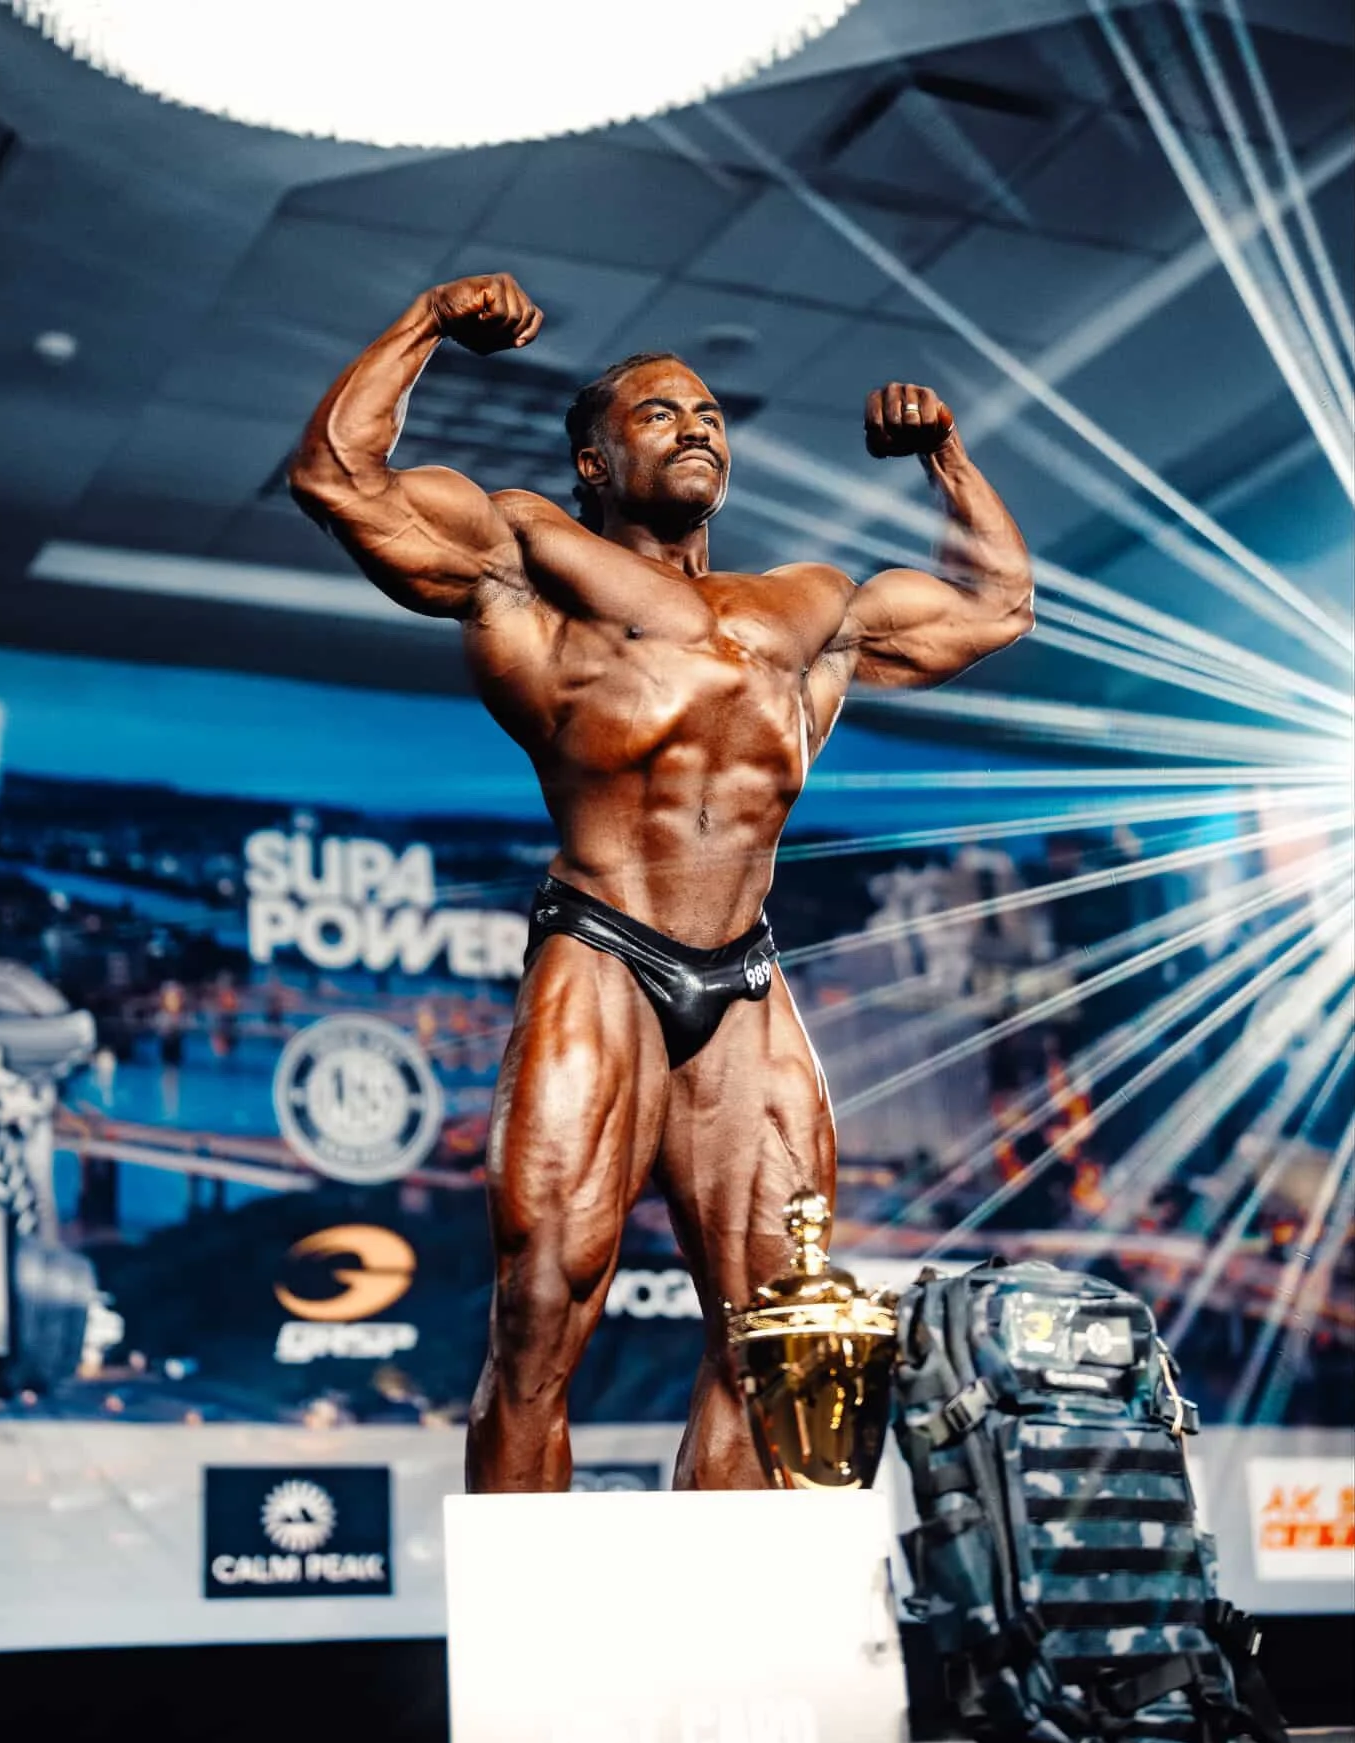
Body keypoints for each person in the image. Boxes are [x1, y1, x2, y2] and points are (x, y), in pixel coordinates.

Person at [289, 272, 1034, 1492]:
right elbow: (337, 477)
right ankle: (535, 1650)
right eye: (657, 413)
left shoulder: (807, 605)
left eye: (708, 415)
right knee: (544, 1304)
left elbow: (999, 605)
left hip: (745, 978)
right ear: (593, 458)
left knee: (778, 1323)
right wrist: (424, 322)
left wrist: (949, 457)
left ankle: (719, 1637)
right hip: (604, 948)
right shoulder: (530, 555)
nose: (694, 425)